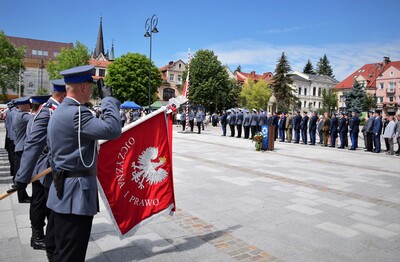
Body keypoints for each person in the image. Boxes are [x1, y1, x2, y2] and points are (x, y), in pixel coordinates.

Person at [46, 65, 121, 261]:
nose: (91, 90)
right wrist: (108, 100)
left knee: (61, 251)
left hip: (62, 190)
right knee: (72, 254)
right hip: (75, 196)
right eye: (90, 86)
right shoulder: (77, 113)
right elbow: (113, 129)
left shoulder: (60, 110)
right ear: (83, 87)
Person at [9, 81, 66, 258]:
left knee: (42, 204)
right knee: (40, 203)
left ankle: (43, 236)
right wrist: (23, 175)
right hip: (41, 166)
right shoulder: (45, 113)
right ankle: (38, 236)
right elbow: (34, 144)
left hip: (39, 165)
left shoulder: (41, 112)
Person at [12, 96, 33, 203]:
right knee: (21, 173)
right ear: (25, 106)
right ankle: (22, 196)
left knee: (20, 172)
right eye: (29, 105)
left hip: (19, 146)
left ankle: (22, 195)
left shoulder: (17, 114)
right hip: (22, 148)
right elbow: (34, 119)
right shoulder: (24, 116)